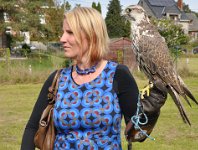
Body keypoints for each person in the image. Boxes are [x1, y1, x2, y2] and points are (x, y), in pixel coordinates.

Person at [21, 7, 167, 150]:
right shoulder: (58, 79)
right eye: (63, 32)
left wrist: (150, 112)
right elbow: (32, 128)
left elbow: (136, 135)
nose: (62, 38)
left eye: (70, 33)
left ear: (91, 35)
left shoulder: (118, 75)